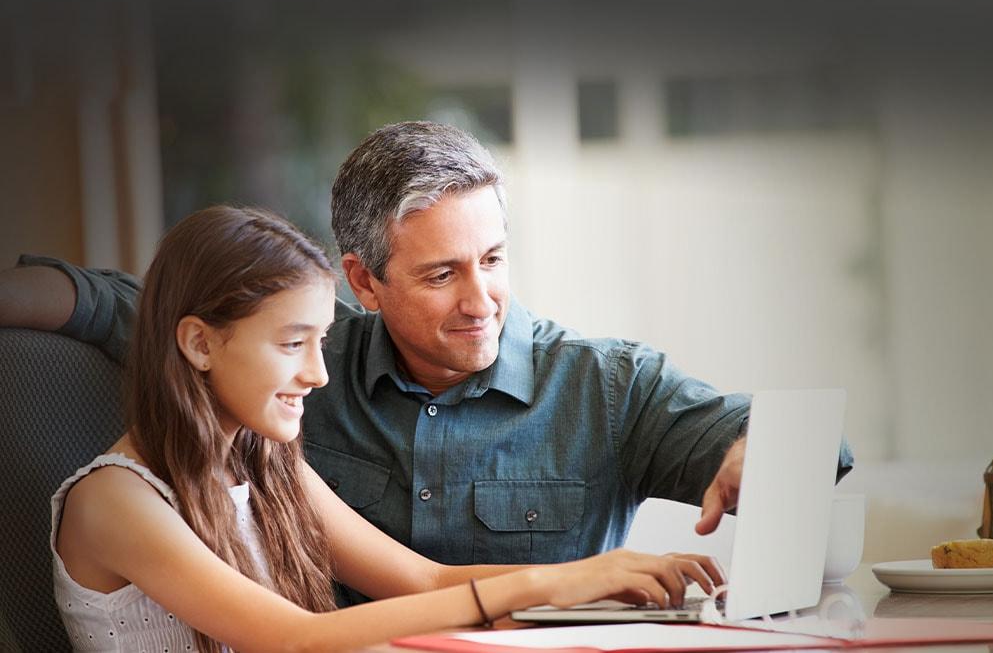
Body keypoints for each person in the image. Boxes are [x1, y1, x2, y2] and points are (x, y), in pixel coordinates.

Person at [2, 121, 852, 584]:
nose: (479, 300)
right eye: (442, 274)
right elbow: (114, 302)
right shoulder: (295, 370)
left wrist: (759, 446)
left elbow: (783, 439)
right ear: (363, 282)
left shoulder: (605, 383)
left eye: (492, 260)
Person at [50, 205, 724, 652]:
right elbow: (294, 639)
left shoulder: (266, 467)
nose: (318, 374)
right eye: (293, 344)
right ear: (199, 343)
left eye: (322, 342)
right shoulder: (117, 501)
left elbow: (427, 581)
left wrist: (596, 580)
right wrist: (542, 586)